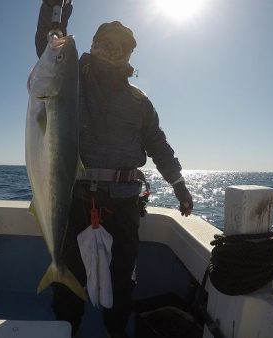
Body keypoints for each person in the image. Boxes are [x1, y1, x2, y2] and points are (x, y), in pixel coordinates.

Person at [35, 1, 193, 337]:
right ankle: (68, 328)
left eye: (119, 46)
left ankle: (116, 332)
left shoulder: (139, 100)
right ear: (92, 44)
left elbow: (158, 145)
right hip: (75, 198)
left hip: (124, 203)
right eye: (104, 42)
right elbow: (47, 47)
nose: (110, 50)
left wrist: (178, 184)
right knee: (70, 274)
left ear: (129, 55)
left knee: (123, 276)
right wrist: (54, 9)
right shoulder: (70, 80)